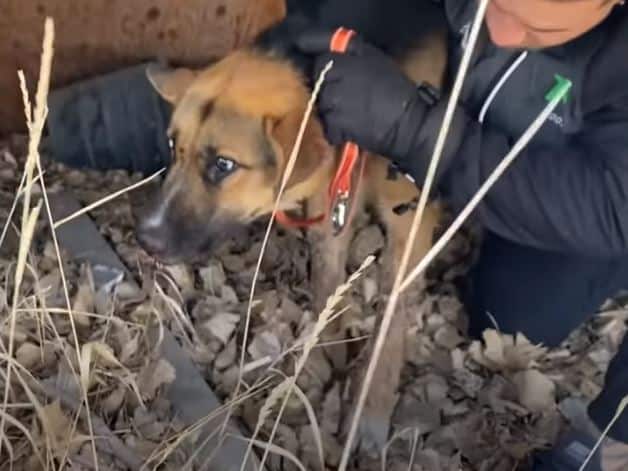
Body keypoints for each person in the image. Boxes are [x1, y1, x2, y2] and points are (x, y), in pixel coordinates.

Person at [293, 0, 628, 470]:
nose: (503, 31)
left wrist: (420, 135)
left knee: (513, 320)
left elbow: (614, 205)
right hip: (479, 103)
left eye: (533, 23)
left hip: (586, 173)